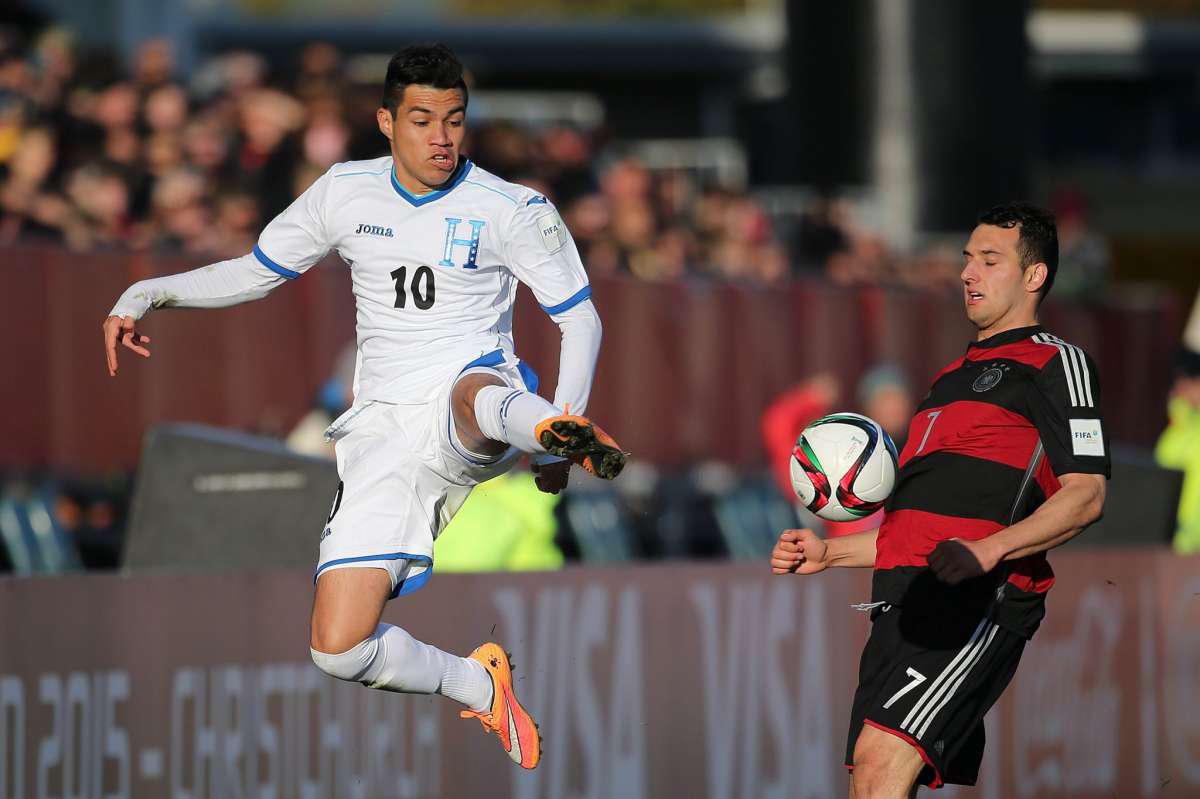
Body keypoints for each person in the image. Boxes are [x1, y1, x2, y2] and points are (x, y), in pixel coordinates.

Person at [101, 43, 627, 771]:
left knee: (473, 395)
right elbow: (254, 273)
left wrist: (557, 431)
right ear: (386, 121)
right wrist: (148, 291)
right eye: (421, 120)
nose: (441, 137)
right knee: (336, 646)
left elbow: (582, 319)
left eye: (454, 120)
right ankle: (477, 680)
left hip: (479, 391)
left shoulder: (513, 208)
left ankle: (547, 427)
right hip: (380, 431)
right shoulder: (345, 193)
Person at [770, 202, 1109, 798]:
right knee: (871, 780)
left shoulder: (1056, 363)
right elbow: (916, 532)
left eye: (989, 260)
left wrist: (991, 551)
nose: (968, 274)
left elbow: (1086, 495)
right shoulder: (946, 381)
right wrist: (831, 554)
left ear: (1034, 276)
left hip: (979, 599)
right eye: (966, 260)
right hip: (903, 604)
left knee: (880, 768)